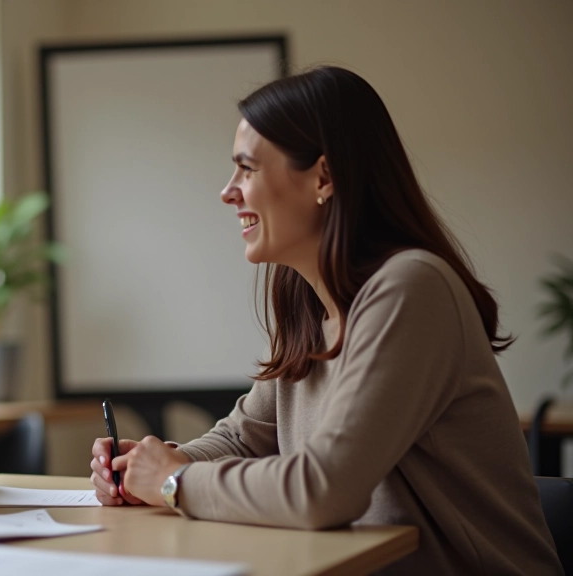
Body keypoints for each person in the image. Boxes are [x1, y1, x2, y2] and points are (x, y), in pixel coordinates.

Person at [89, 66, 561, 574]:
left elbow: (323, 491)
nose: (228, 192)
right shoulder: (314, 306)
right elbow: (244, 438)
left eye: (248, 169)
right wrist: (148, 464)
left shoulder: (411, 289)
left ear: (323, 177)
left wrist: (174, 483)